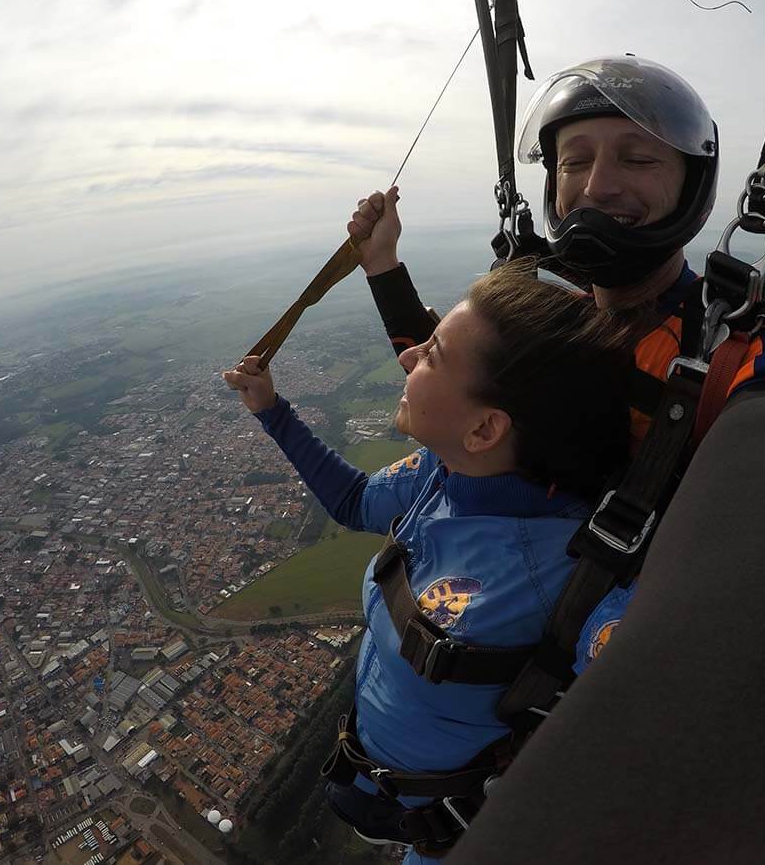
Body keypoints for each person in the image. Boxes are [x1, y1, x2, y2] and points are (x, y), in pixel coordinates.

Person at [346, 56, 765, 714]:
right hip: (507, 658)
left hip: (626, 674)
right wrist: (383, 265)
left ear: (690, 187)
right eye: (573, 161)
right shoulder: (550, 310)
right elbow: (448, 382)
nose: (596, 185)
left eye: (638, 159)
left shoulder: (745, 342)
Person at [224, 265, 635, 860]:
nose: (410, 354)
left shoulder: (578, 573)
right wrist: (272, 410)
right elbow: (355, 501)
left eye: (433, 354)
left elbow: (651, 719)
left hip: (458, 838)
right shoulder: (442, 476)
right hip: (379, 794)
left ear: (485, 428)